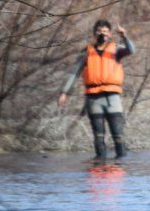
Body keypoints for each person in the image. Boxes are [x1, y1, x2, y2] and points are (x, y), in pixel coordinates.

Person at [58, 19, 135, 159]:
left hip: (113, 98)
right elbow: (74, 73)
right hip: (94, 99)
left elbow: (131, 50)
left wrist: (124, 36)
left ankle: (121, 163)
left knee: (118, 133)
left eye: (105, 32)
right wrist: (64, 92)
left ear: (110, 34)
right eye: (99, 31)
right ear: (94, 34)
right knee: (98, 136)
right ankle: (100, 166)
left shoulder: (117, 49)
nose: (102, 34)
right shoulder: (86, 52)